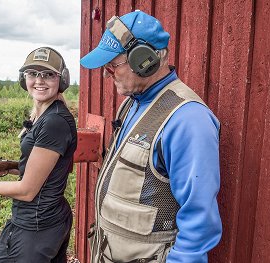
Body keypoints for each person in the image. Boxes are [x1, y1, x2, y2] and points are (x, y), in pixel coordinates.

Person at [80, 10, 222, 263]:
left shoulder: (188, 120)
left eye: (113, 66)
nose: (106, 74)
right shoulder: (132, 104)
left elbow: (199, 225)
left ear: (143, 60)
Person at [0, 47, 77, 263]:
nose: (40, 80)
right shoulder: (44, 116)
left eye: (48, 74)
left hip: (36, 227)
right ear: (24, 79)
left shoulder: (53, 122)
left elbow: (27, 191)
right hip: (47, 220)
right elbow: (48, 169)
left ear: (62, 80)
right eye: (33, 73)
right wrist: (10, 166)